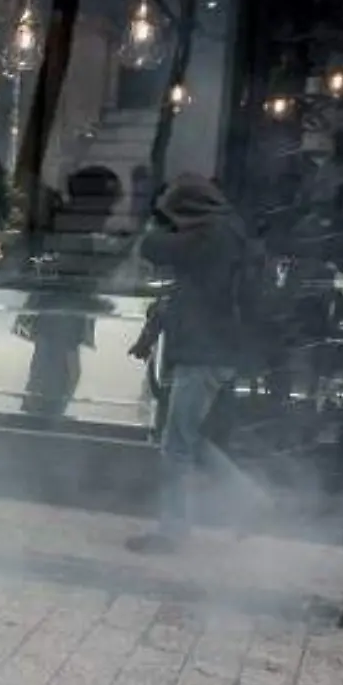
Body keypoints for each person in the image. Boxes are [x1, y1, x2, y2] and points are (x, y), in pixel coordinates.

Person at [126, 173, 269, 554]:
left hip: (204, 355)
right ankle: (250, 499)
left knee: (176, 446)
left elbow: (153, 247)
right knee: (187, 437)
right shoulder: (229, 230)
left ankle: (174, 531)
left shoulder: (212, 235)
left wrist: (156, 220)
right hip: (216, 352)